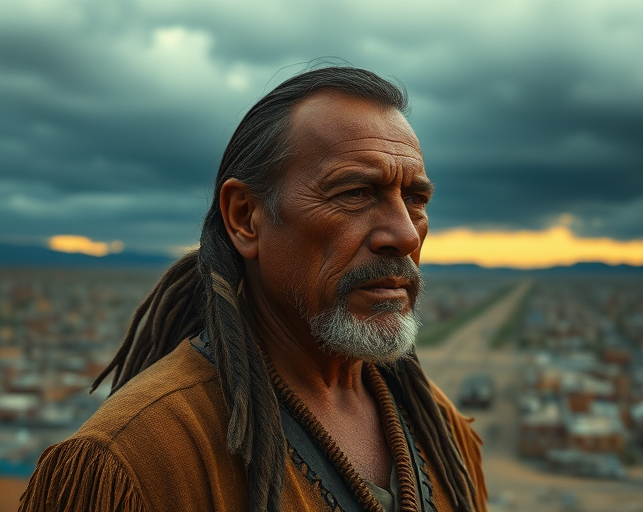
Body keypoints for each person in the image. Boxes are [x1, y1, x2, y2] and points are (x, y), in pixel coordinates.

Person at [20, 66, 486, 512]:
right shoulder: (133, 460)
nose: (405, 235)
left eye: (415, 200)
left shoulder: (439, 429)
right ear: (245, 217)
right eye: (355, 193)